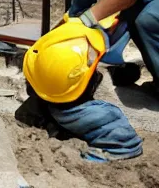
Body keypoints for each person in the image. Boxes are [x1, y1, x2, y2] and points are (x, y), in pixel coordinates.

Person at [19, 13, 143, 162]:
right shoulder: (103, 117)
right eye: (95, 71)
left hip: (52, 106)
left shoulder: (37, 101)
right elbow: (127, 146)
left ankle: (59, 129)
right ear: (90, 83)